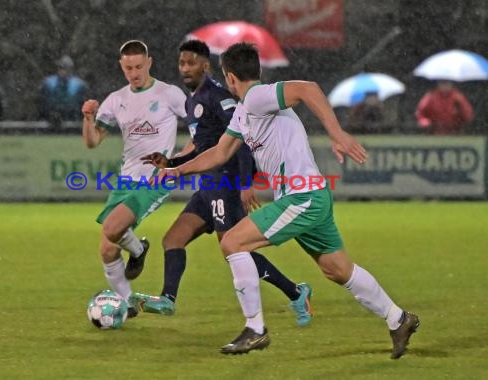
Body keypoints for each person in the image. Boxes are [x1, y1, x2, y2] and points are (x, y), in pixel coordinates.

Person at [156, 43, 419, 358]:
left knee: (233, 243)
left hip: (301, 197)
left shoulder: (257, 96)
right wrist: (179, 169)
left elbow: (308, 89)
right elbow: (220, 152)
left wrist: (337, 133)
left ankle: (255, 329)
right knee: (338, 270)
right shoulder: (244, 111)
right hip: (309, 197)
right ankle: (398, 319)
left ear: (229, 77)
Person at [138, 40, 313, 326]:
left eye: (191, 63)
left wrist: (246, 183)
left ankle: (295, 292)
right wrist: (171, 164)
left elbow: (241, 140)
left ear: (205, 65)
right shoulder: (192, 100)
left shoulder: (218, 96)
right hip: (207, 187)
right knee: (173, 239)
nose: (185, 68)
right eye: (182, 63)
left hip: (226, 183)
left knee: (234, 249)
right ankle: (168, 300)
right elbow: (204, 145)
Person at [81, 40, 187, 317]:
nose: (134, 72)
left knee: (113, 228)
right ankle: (128, 303)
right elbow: (93, 142)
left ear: (149, 62)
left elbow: (202, 130)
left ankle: (138, 250)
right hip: (126, 181)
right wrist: (89, 118)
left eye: (139, 66)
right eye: (128, 68)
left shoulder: (170, 94)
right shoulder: (116, 99)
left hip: (156, 180)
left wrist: (176, 162)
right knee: (106, 249)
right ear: (121, 67)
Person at [39, 55, 89, 125]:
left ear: (71, 70)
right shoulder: (48, 84)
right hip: (51, 118)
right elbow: (43, 105)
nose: (62, 71)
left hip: (73, 118)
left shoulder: (79, 85)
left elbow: (83, 106)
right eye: (61, 68)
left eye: (65, 68)